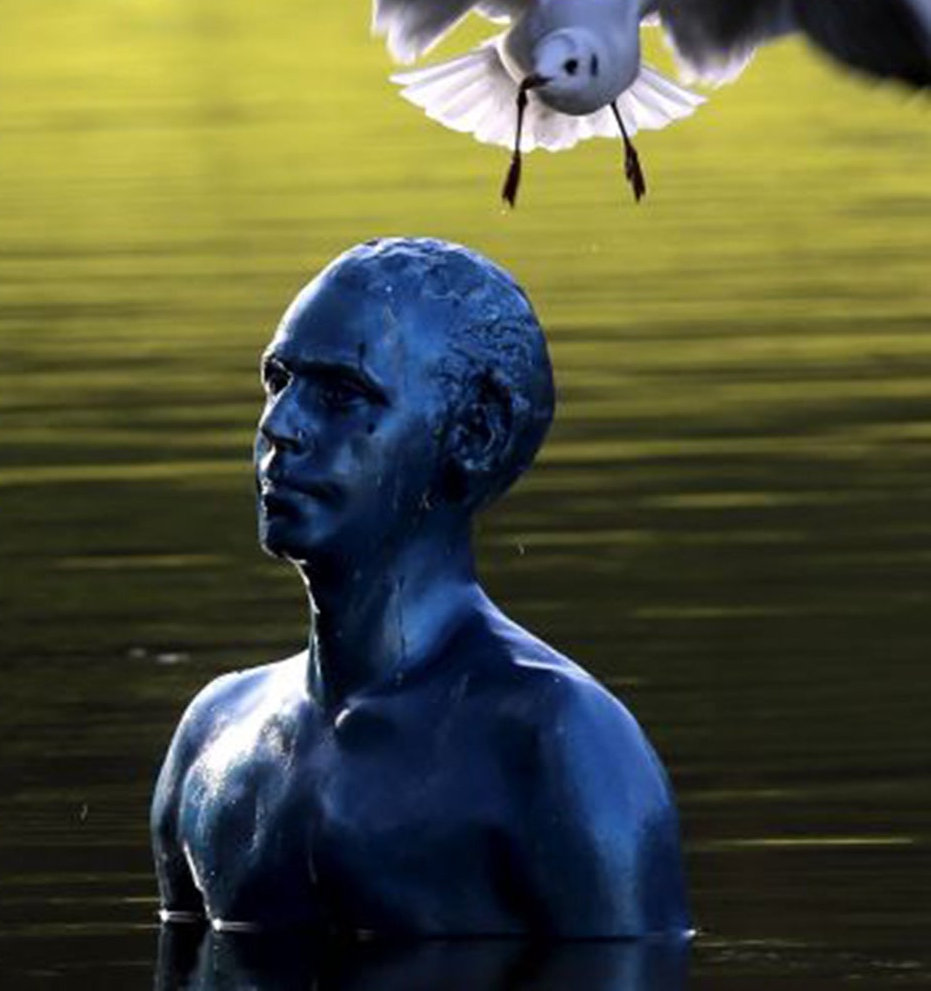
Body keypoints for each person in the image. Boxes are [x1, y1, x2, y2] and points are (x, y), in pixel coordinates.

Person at [152, 238, 689, 938]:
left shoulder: (558, 747)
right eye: (278, 380)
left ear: (475, 432)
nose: (278, 426)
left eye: (341, 394)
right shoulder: (214, 738)